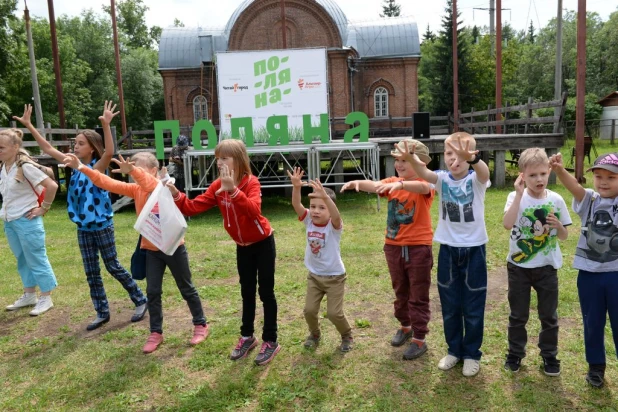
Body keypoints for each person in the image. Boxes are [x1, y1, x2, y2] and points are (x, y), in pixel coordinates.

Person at [14, 102, 147, 331]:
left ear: (91, 148)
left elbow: (109, 152)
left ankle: (140, 300)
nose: (75, 147)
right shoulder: (74, 167)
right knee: (91, 272)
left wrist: (106, 125)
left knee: (113, 266)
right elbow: (47, 149)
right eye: (74, 143)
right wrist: (29, 126)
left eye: (80, 144)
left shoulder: (98, 167)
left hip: (102, 226)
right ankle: (102, 312)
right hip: (83, 229)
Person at [63, 152, 209, 353]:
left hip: (174, 246)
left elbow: (148, 182)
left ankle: (200, 324)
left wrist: (132, 169)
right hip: (150, 249)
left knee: (186, 288)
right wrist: (81, 167)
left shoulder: (161, 186)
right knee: (153, 292)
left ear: (153, 170)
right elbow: (106, 182)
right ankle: (155, 332)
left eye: (136, 167)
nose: (132, 171)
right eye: (131, 167)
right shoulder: (136, 189)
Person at [167, 139, 280, 366]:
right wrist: (176, 194)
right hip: (242, 247)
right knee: (246, 292)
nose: (219, 162)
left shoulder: (251, 183)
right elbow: (193, 207)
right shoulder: (217, 185)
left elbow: (254, 212)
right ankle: (247, 337)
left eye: (225, 158)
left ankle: (271, 340)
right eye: (217, 158)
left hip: (263, 243)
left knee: (265, 292)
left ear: (238, 160)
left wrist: (234, 191)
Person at [403, 132, 490, 377]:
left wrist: (473, 160)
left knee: (473, 305)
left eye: (461, 154)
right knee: (450, 305)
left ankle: (472, 353)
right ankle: (454, 350)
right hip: (448, 251)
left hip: (474, 251)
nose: (455, 159)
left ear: (471, 155)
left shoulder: (476, 180)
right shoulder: (441, 179)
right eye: (450, 154)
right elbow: (425, 174)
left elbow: (484, 173)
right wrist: (412, 159)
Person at [340, 139, 434, 360]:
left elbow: (423, 187)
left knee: (418, 295)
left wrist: (400, 185)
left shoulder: (424, 182)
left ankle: (419, 338)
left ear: (420, 163)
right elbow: (375, 185)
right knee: (400, 291)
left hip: (419, 249)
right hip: (393, 248)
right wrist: (356, 181)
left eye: (406, 160)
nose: (399, 165)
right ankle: (405, 326)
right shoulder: (393, 181)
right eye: (397, 160)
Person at [550, 151, 618, 388]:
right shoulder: (590, 200)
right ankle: (596, 366)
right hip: (589, 274)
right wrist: (560, 171)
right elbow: (576, 188)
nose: (604, 182)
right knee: (593, 322)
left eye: (611, 177)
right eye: (599, 176)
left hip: (616, 275)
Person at [502, 148, 571, 376]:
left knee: (548, 315)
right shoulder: (515, 197)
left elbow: (564, 236)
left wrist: (559, 227)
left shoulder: (556, 199)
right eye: (532, 175)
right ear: (522, 175)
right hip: (519, 268)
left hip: (547, 268)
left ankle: (549, 356)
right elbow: (507, 224)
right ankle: (515, 353)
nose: (539, 179)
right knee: (518, 315)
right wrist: (519, 195)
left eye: (542, 173)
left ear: (549, 171)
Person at [288, 168, 353, 353]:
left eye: (322, 207)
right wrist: (296, 187)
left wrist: (326, 198)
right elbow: (296, 204)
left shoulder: (334, 226)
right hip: (315, 277)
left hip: (334, 278)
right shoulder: (308, 220)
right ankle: (314, 334)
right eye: (314, 206)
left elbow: (336, 215)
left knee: (334, 313)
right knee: (309, 311)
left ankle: (347, 335)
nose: (316, 211)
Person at [0, 129, 58, 316]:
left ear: (15, 147)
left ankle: (46, 297)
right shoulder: (5, 166)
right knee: (22, 259)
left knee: (36, 258)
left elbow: (52, 185)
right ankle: (29, 294)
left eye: (1, 147)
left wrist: (44, 208)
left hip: (27, 220)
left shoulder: (25, 166)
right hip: (10, 220)